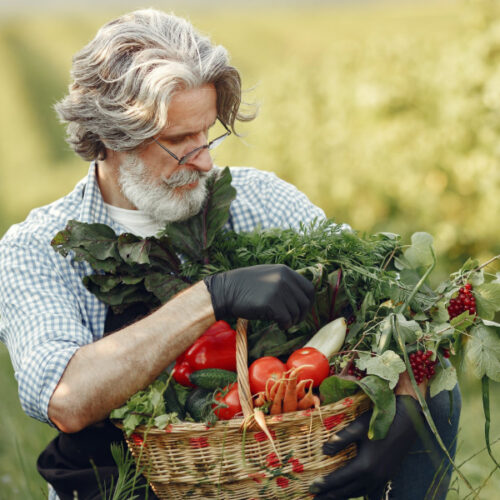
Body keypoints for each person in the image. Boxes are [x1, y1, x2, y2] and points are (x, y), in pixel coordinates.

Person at [0, 9, 460, 500]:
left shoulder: (260, 201)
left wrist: (404, 409)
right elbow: (66, 400)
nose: (204, 160)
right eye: (179, 141)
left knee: (439, 400)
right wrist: (210, 298)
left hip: (271, 475)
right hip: (124, 483)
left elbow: (405, 303)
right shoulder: (37, 249)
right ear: (112, 138)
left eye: (208, 133)